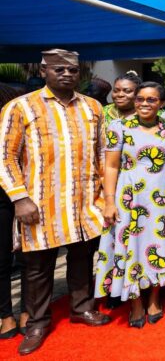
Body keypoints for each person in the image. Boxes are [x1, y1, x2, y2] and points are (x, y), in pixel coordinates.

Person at [0, 49, 111, 356]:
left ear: (80, 73)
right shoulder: (20, 106)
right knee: (37, 267)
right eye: (59, 69)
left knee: (82, 257)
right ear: (44, 69)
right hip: (38, 204)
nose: (66, 74)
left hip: (85, 202)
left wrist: (107, 198)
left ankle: (81, 308)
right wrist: (19, 198)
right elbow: (5, 157)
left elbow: (103, 153)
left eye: (72, 70)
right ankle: (37, 322)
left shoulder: (93, 108)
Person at [94, 82, 165, 327]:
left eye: (151, 100)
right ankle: (135, 301)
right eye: (140, 99)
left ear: (161, 104)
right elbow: (111, 166)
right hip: (129, 196)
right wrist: (108, 202)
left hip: (163, 196)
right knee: (131, 247)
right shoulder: (119, 126)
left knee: (160, 244)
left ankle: (154, 299)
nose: (144, 104)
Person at [0, 85, 25, 340]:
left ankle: (27, 311)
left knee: (30, 257)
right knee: (2, 261)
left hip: (25, 192)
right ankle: (6, 316)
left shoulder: (14, 110)